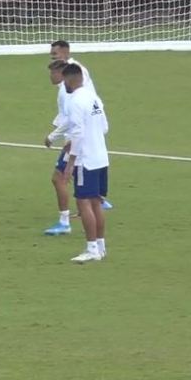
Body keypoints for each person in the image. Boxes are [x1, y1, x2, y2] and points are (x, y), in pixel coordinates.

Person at [61, 63, 110, 264]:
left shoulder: (75, 102)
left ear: (70, 80)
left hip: (85, 159)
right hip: (101, 157)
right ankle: (100, 246)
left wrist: (71, 162)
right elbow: (105, 127)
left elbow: (78, 133)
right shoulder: (94, 97)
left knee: (84, 204)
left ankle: (91, 249)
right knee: (96, 202)